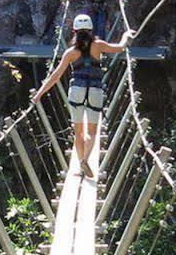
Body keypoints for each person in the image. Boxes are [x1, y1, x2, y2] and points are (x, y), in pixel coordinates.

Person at [34, 12, 132, 176]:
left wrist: (39, 94)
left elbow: (55, 76)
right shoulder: (99, 45)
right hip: (95, 90)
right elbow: (120, 48)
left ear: (74, 31)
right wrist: (125, 35)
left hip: (77, 91)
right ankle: (85, 160)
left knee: (78, 133)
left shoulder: (70, 53)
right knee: (93, 132)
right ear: (91, 30)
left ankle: (81, 167)